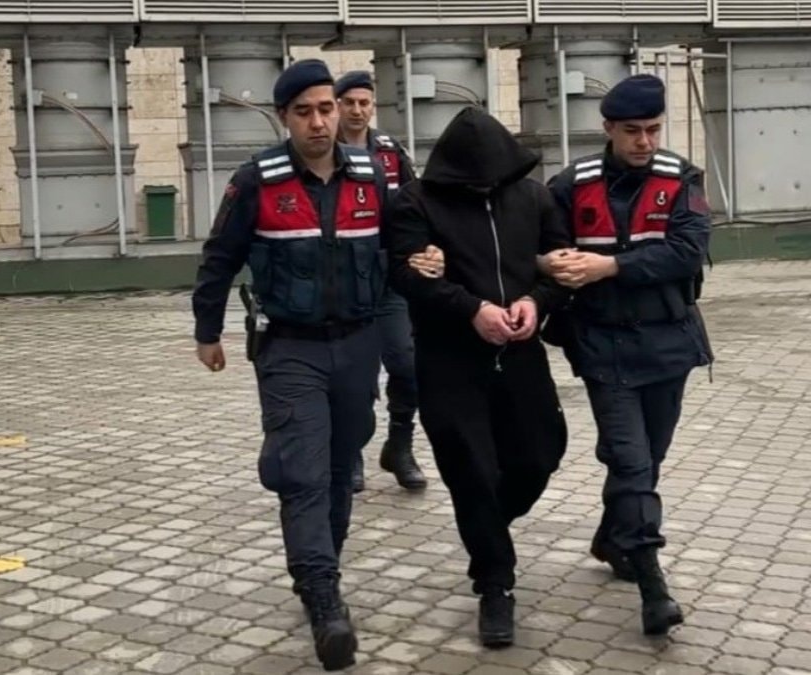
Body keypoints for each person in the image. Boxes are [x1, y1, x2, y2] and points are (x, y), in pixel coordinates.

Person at [191, 58, 391, 671]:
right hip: (289, 348)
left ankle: (318, 569)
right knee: (303, 470)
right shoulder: (257, 180)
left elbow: (404, 248)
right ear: (284, 117)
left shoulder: (372, 177)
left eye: (326, 108)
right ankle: (326, 599)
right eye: (304, 112)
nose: (319, 122)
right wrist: (207, 331)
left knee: (340, 465)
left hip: (358, 345)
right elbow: (219, 258)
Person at [386, 105, 570, 648]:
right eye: (474, 183)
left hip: (521, 355)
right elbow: (403, 275)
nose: (485, 189)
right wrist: (471, 309)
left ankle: (486, 526)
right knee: (471, 470)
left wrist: (537, 303)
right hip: (448, 360)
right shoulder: (415, 202)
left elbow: (560, 265)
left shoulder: (533, 198)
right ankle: (495, 583)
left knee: (540, 455)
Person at [542, 73, 714, 637]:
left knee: (649, 457)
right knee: (631, 460)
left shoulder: (681, 179)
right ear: (609, 129)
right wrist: (551, 264)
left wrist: (610, 266)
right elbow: (542, 245)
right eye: (633, 131)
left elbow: (687, 251)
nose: (644, 141)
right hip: (603, 344)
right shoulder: (571, 185)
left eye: (653, 130)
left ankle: (612, 537)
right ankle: (651, 585)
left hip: (668, 342)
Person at [333, 69, 427, 493]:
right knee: (355, 372)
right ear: (337, 105)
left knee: (406, 365)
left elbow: (414, 204)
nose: (357, 110)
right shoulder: (323, 149)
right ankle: (350, 452)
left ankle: (400, 446)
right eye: (349, 102)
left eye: (364, 103)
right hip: (344, 279)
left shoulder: (390, 151)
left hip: (389, 277)